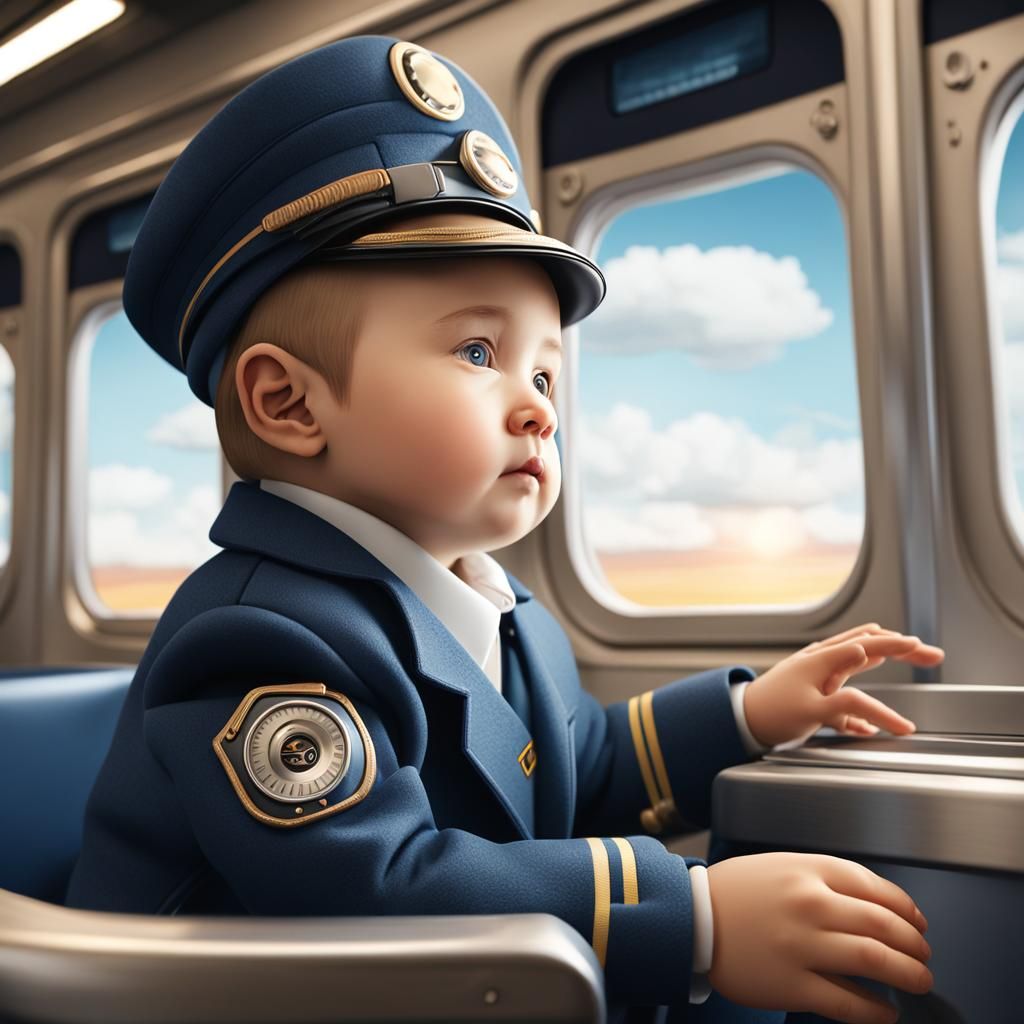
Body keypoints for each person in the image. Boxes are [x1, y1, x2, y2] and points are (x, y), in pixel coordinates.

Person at [65, 34, 943, 1024]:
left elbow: (583, 769)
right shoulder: (255, 637)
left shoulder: (494, 604)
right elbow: (381, 889)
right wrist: (691, 917)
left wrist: (746, 714)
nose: (539, 410)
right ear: (288, 404)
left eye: (544, 375)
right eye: (478, 350)